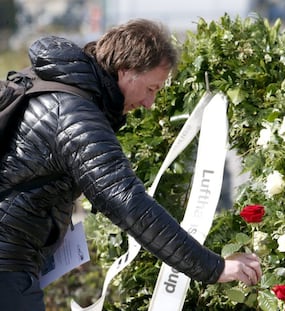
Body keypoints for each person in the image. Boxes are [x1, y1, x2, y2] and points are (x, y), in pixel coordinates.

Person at [0, 19, 261, 310]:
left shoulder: (54, 83)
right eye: (151, 88)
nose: (150, 102)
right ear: (126, 70)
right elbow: (128, 204)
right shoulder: (76, 116)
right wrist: (215, 268)